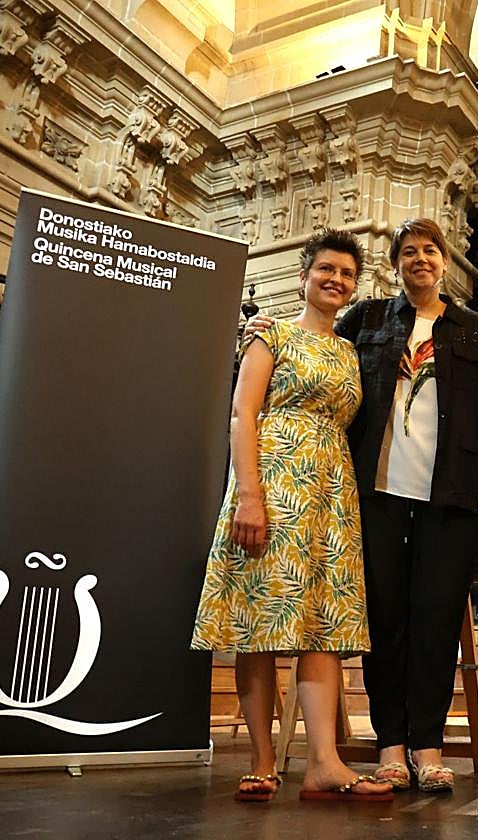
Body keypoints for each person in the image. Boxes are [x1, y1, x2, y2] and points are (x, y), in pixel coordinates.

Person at [192, 229, 392, 803]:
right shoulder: (270, 335)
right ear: (304, 276)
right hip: (275, 482)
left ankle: (323, 762)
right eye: (326, 269)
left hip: (331, 490)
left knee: (324, 627)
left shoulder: (348, 350)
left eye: (347, 274)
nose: (336, 280)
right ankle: (260, 760)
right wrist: (249, 495)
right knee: (260, 624)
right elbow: (241, 413)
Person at [329, 218, 478, 792]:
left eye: (430, 250)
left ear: (444, 260)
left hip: (450, 496)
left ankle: (429, 746)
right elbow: (321, 355)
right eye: (409, 251)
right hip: (377, 492)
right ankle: (391, 745)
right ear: (396, 263)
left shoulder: (472, 327)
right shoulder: (368, 320)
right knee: (385, 618)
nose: (420, 259)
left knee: (435, 619)